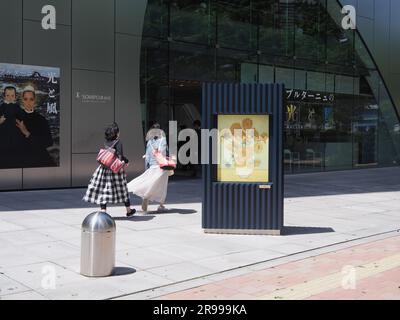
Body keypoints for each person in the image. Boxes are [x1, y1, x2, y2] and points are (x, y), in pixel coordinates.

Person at [83, 122, 136, 217]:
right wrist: (126, 161)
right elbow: (120, 157)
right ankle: (128, 210)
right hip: (115, 170)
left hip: (103, 169)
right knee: (122, 189)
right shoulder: (118, 142)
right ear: (116, 133)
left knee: (103, 189)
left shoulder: (106, 142)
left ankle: (103, 211)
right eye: (118, 131)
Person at [127, 123, 170, 212]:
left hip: (152, 166)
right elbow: (163, 152)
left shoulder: (149, 142)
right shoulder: (163, 140)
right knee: (162, 186)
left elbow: (147, 157)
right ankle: (160, 205)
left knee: (150, 184)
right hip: (161, 166)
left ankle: (146, 198)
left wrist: (147, 169)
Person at [13, 86, 54, 168]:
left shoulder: (41, 119)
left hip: (38, 159)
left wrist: (28, 134)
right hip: (20, 160)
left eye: (31, 99)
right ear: (22, 100)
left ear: (34, 101)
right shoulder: (16, 118)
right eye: (26, 99)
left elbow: (49, 142)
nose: (28, 102)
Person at [0, 86, 24, 168]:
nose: (10, 98)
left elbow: (22, 117)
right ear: (4, 96)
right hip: (3, 134)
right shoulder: (1, 107)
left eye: (12, 96)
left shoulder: (17, 107)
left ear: (15, 96)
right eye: (8, 95)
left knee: (15, 155)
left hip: (15, 133)